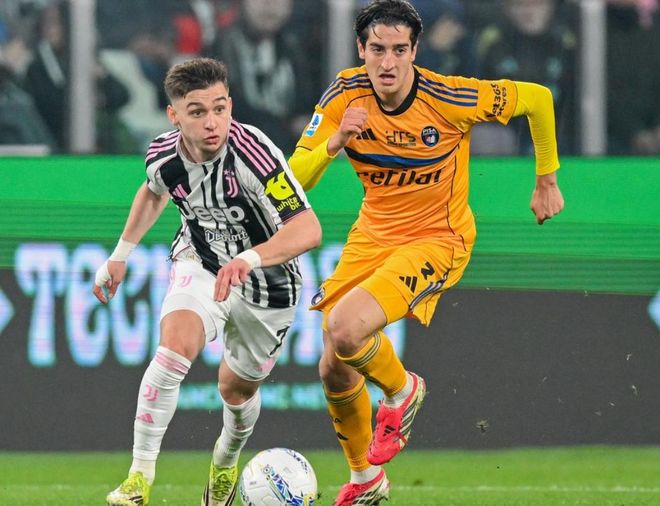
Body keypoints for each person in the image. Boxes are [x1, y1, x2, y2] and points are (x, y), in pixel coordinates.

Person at [287, 1, 564, 504]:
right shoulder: (344, 95)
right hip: (372, 235)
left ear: (415, 51)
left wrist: (546, 179)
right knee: (333, 365)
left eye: (399, 50)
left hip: (437, 238)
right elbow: (294, 179)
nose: (387, 62)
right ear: (360, 49)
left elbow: (538, 99)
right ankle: (366, 480)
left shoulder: (449, 96)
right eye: (377, 49)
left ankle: (402, 390)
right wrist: (335, 141)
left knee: (344, 328)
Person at [93, 57, 321, 506]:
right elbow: (154, 191)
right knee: (173, 349)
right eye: (197, 112)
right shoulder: (163, 155)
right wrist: (120, 255)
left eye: (219, 108)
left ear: (230, 105)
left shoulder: (254, 155)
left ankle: (225, 461)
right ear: (174, 115)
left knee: (236, 390)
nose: (212, 122)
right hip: (200, 262)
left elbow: (307, 229)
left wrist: (248, 259)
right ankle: (138, 477)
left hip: (268, 283)